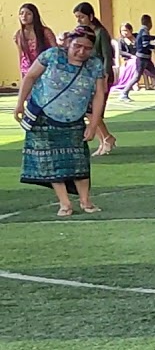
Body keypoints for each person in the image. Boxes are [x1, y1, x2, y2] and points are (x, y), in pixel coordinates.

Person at [14, 26, 107, 217]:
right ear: (68, 43)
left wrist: (94, 124)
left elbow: (99, 94)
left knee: (79, 162)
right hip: (43, 116)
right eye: (77, 46)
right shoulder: (52, 56)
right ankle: (65, 203)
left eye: (87, 48)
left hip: (74, 119)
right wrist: (19, 104)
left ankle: (85, 200)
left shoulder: (95, 65)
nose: (82, 52)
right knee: (52, 162)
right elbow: (30, 76)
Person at [72, 2, 117, 156]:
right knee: (88, 111)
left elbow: (107, 56)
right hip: (86, 76)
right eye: (77, 17)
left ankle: (106, 138)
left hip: (101, 75)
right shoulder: (81, 33)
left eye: (82, 17)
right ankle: (105, 139)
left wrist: (105, 77)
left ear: (90, 16)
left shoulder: (100, 33)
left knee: (93, 111)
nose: (79, 20)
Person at [14, 3, 57, 77]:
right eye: (21, 13)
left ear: (35, 16)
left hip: (45, 68)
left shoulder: (45, 32)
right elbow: (21, 55)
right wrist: (22, 75)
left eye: (28, 14)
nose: (24, 16)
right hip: (27, 69)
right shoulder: (19, 34)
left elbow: (56, 51)